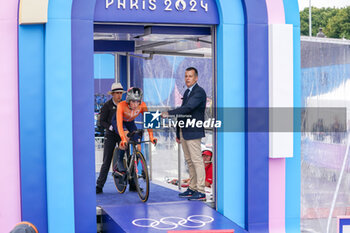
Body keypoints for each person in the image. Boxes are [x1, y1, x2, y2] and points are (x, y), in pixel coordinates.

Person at [161, 67, 207, 201]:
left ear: (196, 78)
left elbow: (188, 108)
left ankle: (201, 191)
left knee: (197, 161)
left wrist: (168, 113)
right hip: (184, 131)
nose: (187, 78)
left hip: (193, 131)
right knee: (190, 162)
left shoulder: (199, 92)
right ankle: (192, 188)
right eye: (186, 76)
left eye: (190, 76)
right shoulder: (187, 92)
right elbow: (182, 113)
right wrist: (177, 132)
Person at [115, 87, 157, 173]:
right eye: (133, 101)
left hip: (130, 122)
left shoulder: (143, 105)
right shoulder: (121, 105)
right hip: (120, 122)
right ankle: (119, 161)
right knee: (126, 137)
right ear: (128, 100)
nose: (135, 104)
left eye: (137, 101)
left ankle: (134, 169)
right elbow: (119, 124)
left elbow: (149, 121)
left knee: (138, 144)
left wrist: (151, 137)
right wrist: (123, 138)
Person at [96, 82, 125, 194]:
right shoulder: (107, 106)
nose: (119, 95)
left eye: (120, 93)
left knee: (129, 157)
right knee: (106, 160)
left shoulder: (124, 105)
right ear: (112, 94)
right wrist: (110, 127)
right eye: (117, 93)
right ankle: (99, 185)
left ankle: (133, 184)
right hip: (111, 135)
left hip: (122, 133)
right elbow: (101, 121)